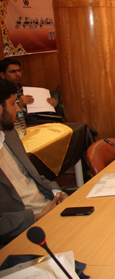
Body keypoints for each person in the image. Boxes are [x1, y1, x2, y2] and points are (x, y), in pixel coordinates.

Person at [0, 79, 67, 246]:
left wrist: (57, 193)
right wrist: (36, 217)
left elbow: (34, 178)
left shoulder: (9, 134)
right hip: (24, 231)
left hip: (49, 207)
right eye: (13, 103)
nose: (18, 109)